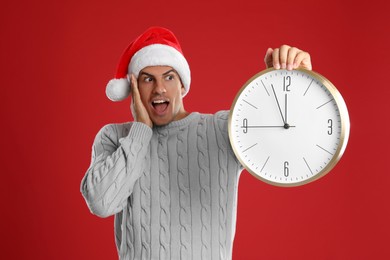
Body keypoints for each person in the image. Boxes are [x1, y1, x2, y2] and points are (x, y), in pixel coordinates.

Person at [80, 26, 312, 260]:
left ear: (182, 85)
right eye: (147, 79)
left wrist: (297, 84)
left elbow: (293, 138)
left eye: (169, 77)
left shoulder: (222, 129)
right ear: (134, 89)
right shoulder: (114, 137)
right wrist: (140, 131)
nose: (159, 88)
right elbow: (101, 203)